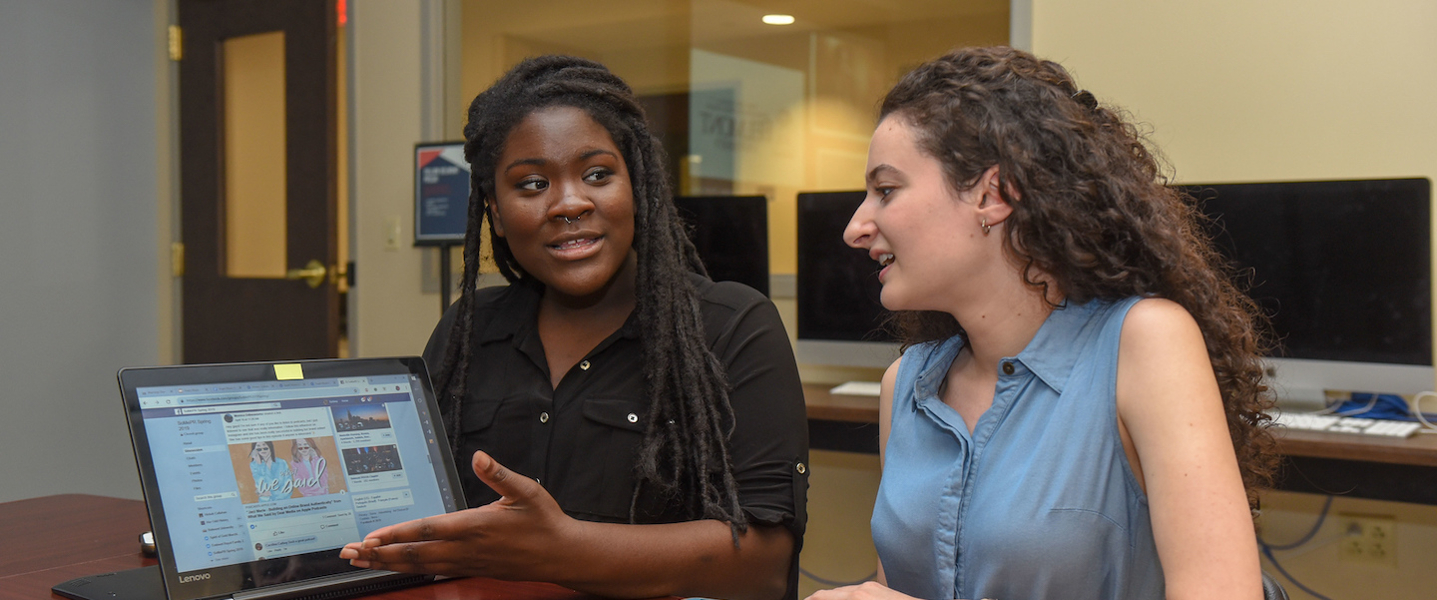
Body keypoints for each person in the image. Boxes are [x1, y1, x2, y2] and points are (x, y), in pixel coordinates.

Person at [806, 47, 1278, 600]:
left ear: (993, 194)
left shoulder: (1145, 343)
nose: (856, 227)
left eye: (886, 190)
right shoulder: (905, 384)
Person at [339, 55, 808, 600]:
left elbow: (765, 564)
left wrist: (561, 548)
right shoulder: (470, 331)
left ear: (637, 184)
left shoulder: (730, 327)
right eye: (533, 183)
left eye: (597, 175)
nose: (569, 203)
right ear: (494, 209)